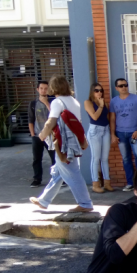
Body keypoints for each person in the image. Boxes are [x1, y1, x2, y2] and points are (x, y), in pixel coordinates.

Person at [29, 75, 93, 213]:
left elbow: (50, 122)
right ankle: (44, 200)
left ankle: (85, 203)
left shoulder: (57, 102)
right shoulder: (74, 101)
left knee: (72, 173)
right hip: (73, 141)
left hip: (63, 143)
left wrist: (42, 135)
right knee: (59, 172)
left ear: (53, 87)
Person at [109, 78, 137, 191]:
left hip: (134, 132)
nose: (124, 87)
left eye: (125, 85)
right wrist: (112, 134)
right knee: (126, 158)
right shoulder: (114, 101)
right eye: (121, 86)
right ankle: (130, 182)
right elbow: (112, 118)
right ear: (116, 88)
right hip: (120, 133)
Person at [84, 82, 113, 193]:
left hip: (105, 129)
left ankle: (107, 182)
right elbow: (95, 117)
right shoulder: (88, 102)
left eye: (101, 90)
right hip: (95, 130)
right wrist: (100, 106)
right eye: (96, 90)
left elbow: (107, 117)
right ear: (92, 92)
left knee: (104, 158)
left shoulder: (104, 102)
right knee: (96, 158)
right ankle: (95, 184)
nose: (99, 92)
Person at [28, 80, 56, 188]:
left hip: (51, 135)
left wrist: (46, 103)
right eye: (41, 88)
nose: (43, 90)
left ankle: (57, 178)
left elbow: (54, 114)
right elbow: (31, 120)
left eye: (46, 88)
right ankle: (37, 179)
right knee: (37, 158)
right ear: (37, 89)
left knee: (54, 158)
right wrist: (33, 135)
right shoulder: (33, 103)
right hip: (37, 135)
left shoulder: (53, 101)